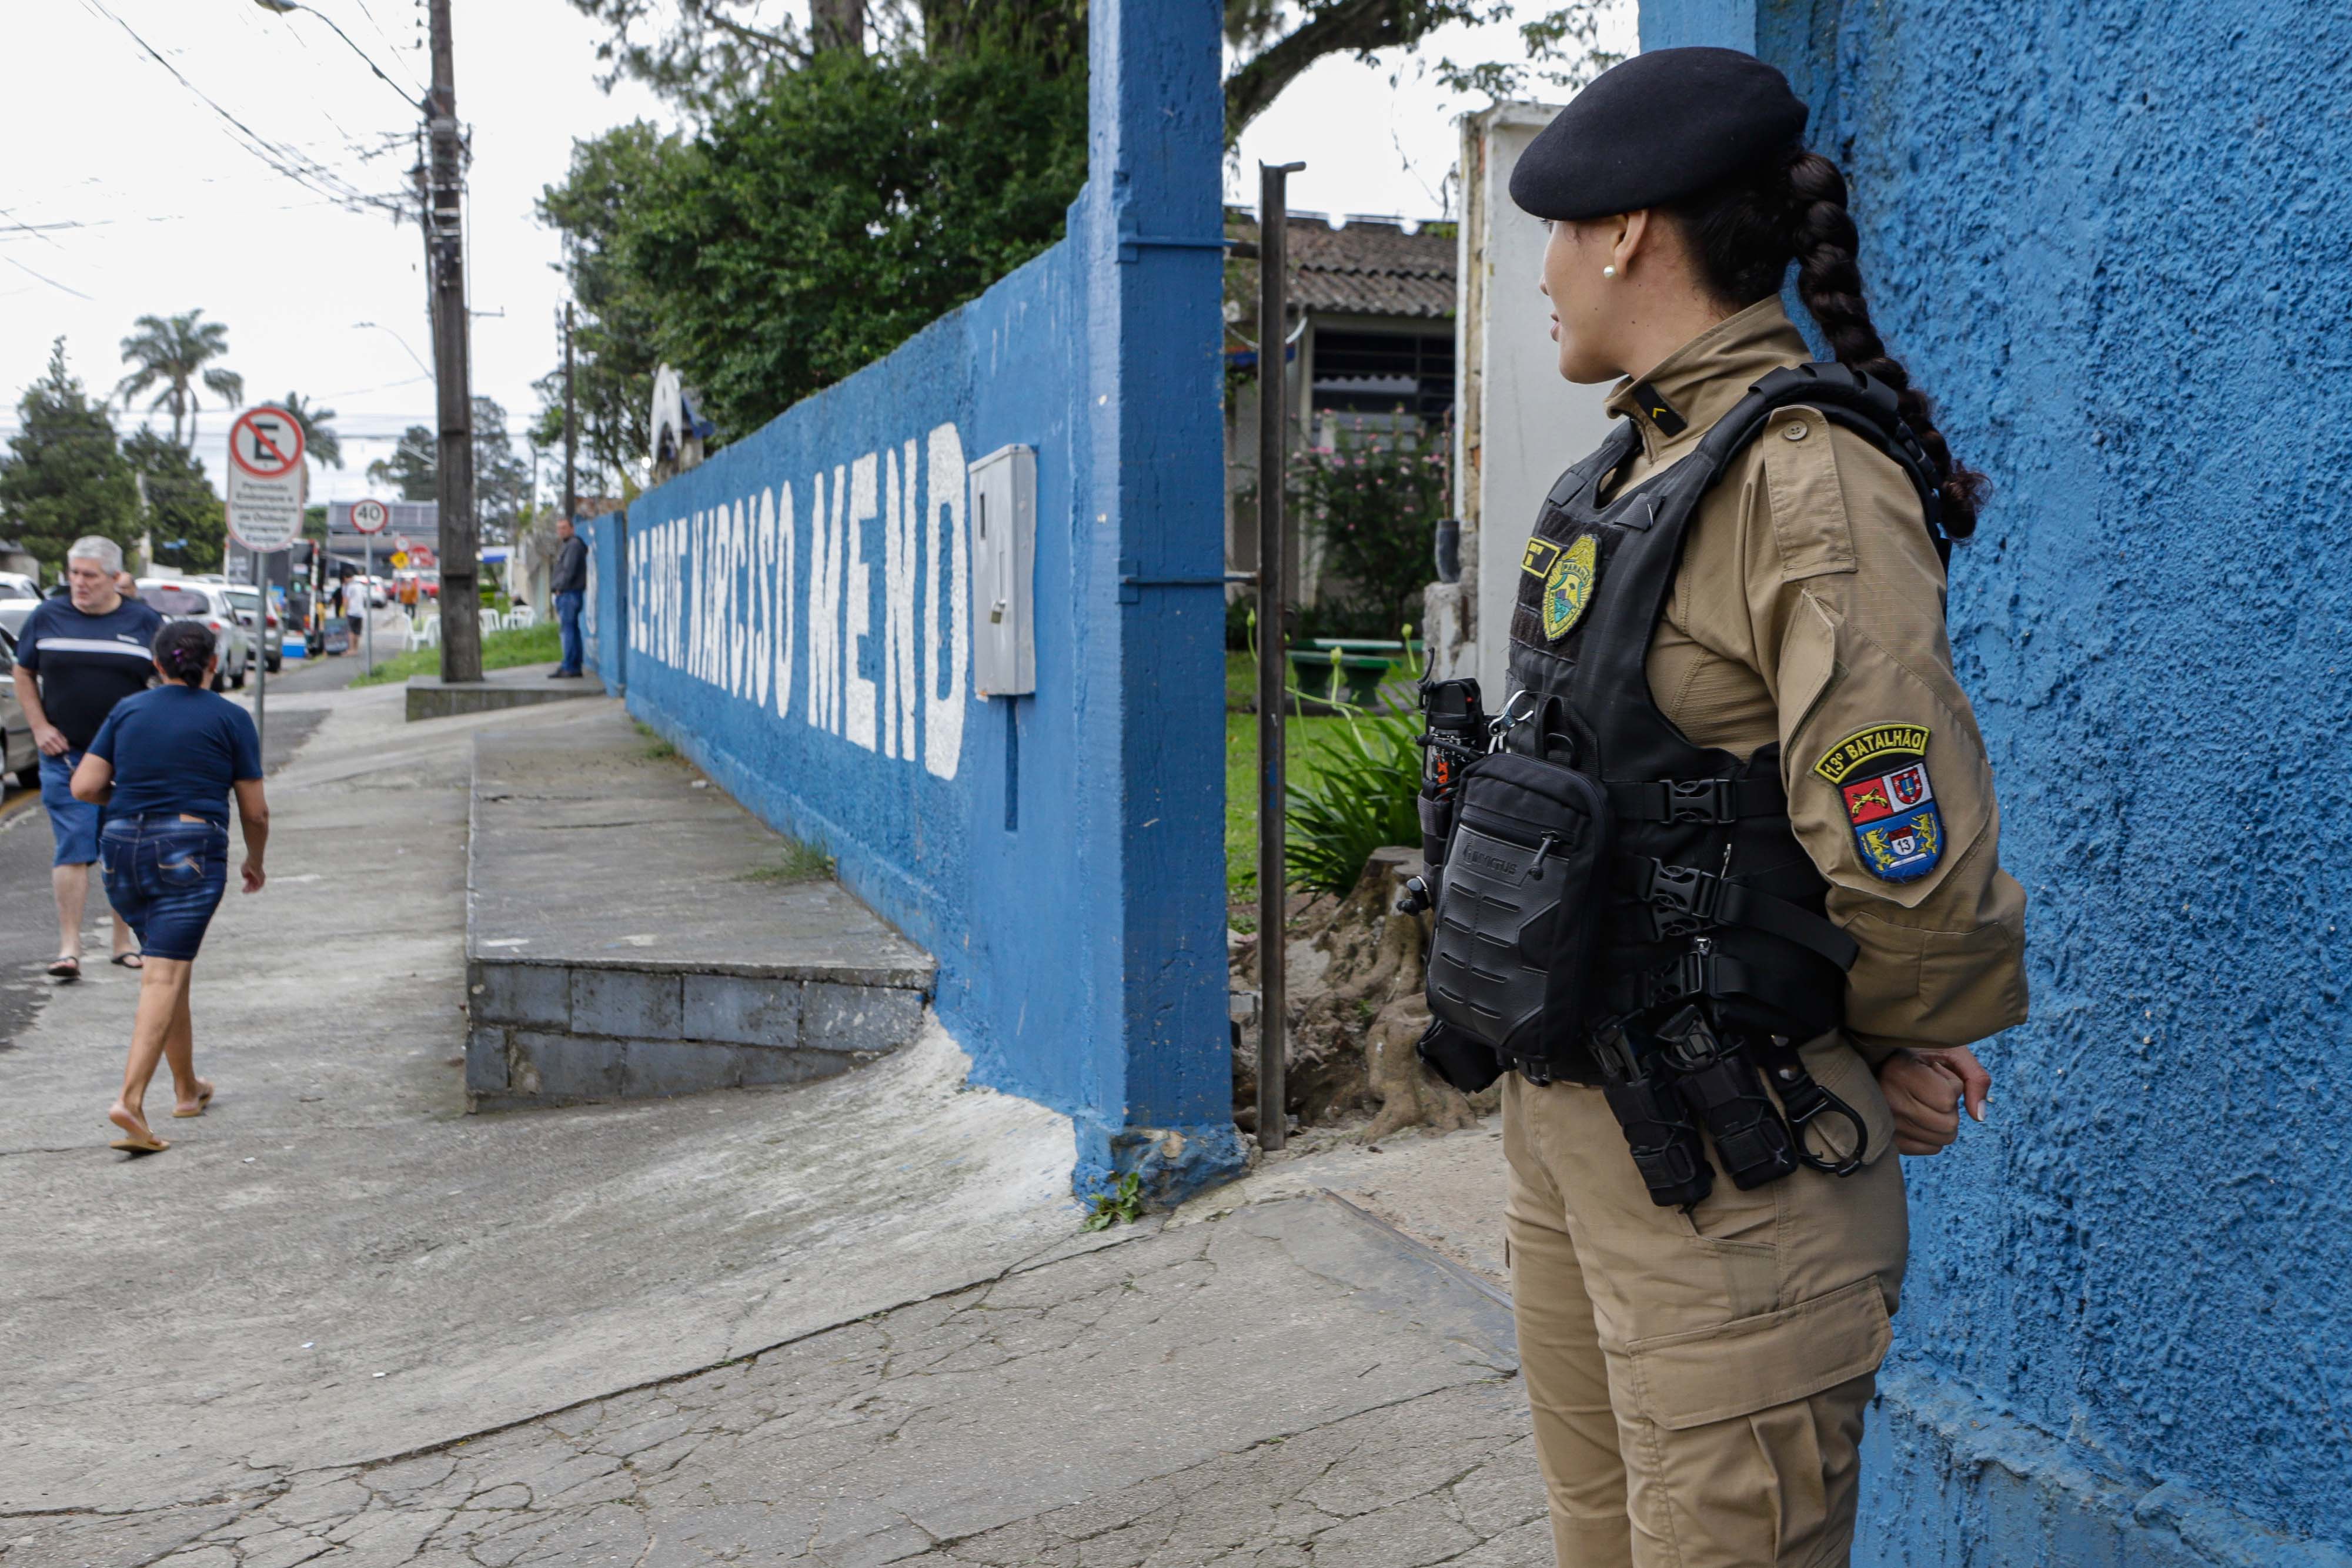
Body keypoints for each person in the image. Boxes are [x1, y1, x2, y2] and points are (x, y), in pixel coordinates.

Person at [1415, 48, 2029, 1568]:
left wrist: (1869, 1035)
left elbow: (1908, 850)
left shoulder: (1802, 483)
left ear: (1627, 229)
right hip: (1576, 1139)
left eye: (1556, 231)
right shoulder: (1629, 467)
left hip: (1729, 1185)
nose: (1544, 270)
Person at [72, 620, 266, 1154]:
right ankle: (130, 1102)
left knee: (167, 962)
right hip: (189, 848)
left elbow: (85, 785)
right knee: (163, 975)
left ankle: (187, 1088)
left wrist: (138, 799)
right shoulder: (231, 717)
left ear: (157, 665)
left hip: (120, 850)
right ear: (212, 664)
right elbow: (256, 809)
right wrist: (256, 859)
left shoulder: (129, 709)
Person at [9, 537, 163, 979]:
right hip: (67, 755)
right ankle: (69, 948)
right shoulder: (47, 616)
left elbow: (168, 680)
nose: (79, 583)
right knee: (73, 845)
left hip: (128, 759)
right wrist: (39, 726)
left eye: (90, 575)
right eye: (73, 573)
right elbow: (24, 671)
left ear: (115, 578)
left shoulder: (144, 621)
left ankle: (122, 942)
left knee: (123, 848)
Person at [549, 515, 587, 678]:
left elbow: (569, 571)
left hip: (569, 594)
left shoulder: (573, 545)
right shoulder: (570, 545)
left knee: (568, 630)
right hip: (569, 593)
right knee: (572, 629)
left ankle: (570, 667)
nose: (561, 531)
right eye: (559, 528)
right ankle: (573, 665)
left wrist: (559, 588)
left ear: (572, 528)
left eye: (564, 527)